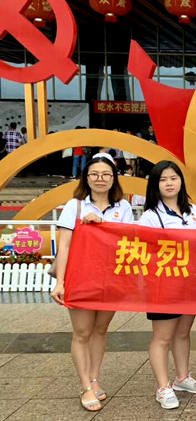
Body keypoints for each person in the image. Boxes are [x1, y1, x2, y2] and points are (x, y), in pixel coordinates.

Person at [50, 153, 134, 412]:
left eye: (106, 175)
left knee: (100, 330)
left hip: (111, 279)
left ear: (114, 179)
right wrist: (60, 282)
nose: (100, 179)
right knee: (82, 333)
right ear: (86, 178)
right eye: (94, 174)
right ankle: (85, 386)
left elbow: (127, 241)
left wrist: (103, 223)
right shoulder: (74, 206)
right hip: (81, 278)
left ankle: (94, 378)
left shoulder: (124, 207)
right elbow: (64, 247)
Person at [139, 161, 196, 409]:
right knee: (162, 337)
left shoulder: (193, 211)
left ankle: (182, 378)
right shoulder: (150, 216)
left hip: (191, 283)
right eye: (163, 179)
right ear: (155, 185)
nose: (169, 183)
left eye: (174, 178)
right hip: (163, 285)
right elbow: (144, 252)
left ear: (181, 181)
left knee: (182, 333)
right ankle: (163, 386)